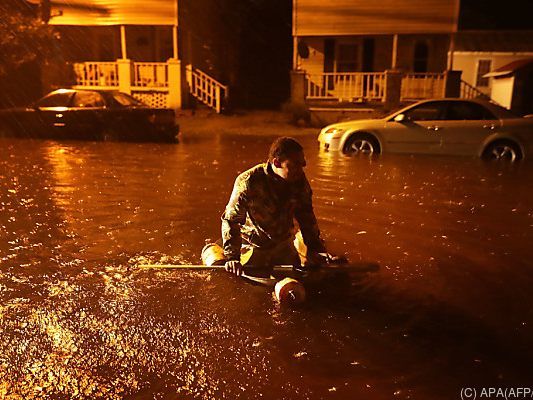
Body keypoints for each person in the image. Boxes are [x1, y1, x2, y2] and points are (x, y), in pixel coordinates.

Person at [221, 136, 333, 276]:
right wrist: (232, 257)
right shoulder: (249, 182)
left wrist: (316, 249)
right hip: (255, 246)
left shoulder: (299, 181)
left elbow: (307, 218)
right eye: (295, 164)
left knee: (303, 278)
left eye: (302, 163)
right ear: (277, 162)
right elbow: (231, 220)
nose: (301, 168)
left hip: (283, 244)